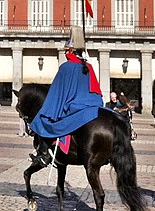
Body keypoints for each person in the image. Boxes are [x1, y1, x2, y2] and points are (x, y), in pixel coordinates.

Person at [28, 26, 103, 167]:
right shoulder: (88, 66)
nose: (64, 52)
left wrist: (48, 108)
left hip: (73, 106)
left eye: (66, 50)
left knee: (41, 120)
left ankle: (44, 155)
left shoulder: (66, 67)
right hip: (93, 104)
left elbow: (56, 93)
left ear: (70, 51)